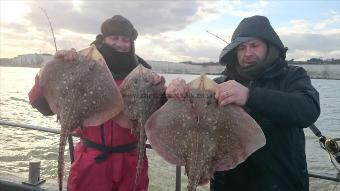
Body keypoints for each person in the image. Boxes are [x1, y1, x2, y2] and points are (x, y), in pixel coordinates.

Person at [166, 15, 320, 191]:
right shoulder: (220, 83)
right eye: (241, 48)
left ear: (269, 46)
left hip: (280, 183)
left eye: (254, 45)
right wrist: (173, 93)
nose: (248, 53)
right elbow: (184, 117)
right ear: (235, 52)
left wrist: (250, 95)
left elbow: (308, 109)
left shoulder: (292, 76)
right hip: (228, 185)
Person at [28, 15, 164, 191]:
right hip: (91, 162)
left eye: (125, 39)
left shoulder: (143, 75)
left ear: (131, 42)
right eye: (114, 38)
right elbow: (43, 106)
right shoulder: (81, 64)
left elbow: (156, 117)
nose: (120, 44)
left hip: (131, 161)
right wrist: (56, 65)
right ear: (104, 38)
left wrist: (165, 92)